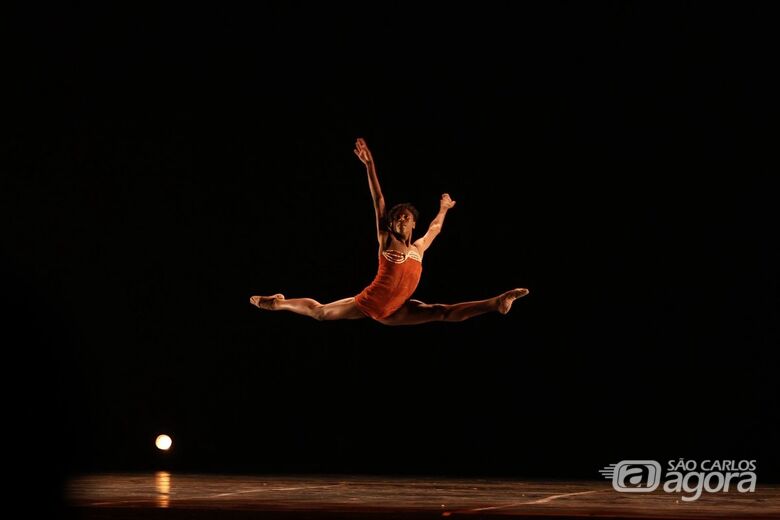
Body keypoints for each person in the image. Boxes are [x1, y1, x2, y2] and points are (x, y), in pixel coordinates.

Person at [249, 138, 529, 325]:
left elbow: (434, 228)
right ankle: (278, 304)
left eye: (404, 217)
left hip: (397, 311)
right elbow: (379, 201)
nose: (398, 220)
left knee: (442, 312)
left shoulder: (418, 249)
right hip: (371, 303)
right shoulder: (386, 241)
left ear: (412, 223)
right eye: (394, 218)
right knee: (321, 313)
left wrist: (444, 209)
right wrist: (370, 166)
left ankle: (497, 302)